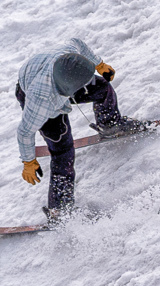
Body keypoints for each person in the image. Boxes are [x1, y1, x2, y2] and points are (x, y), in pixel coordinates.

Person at [15, 38, 142, 217]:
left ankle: (110, 125)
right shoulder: (41, 101)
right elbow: (24, 132)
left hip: (60, 75)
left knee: (102, 88)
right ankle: (59, 210)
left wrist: (99, 64)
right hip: (38, 89)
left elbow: (77, 42)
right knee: (62, 151)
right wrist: (28, 161)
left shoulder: (69, 55)